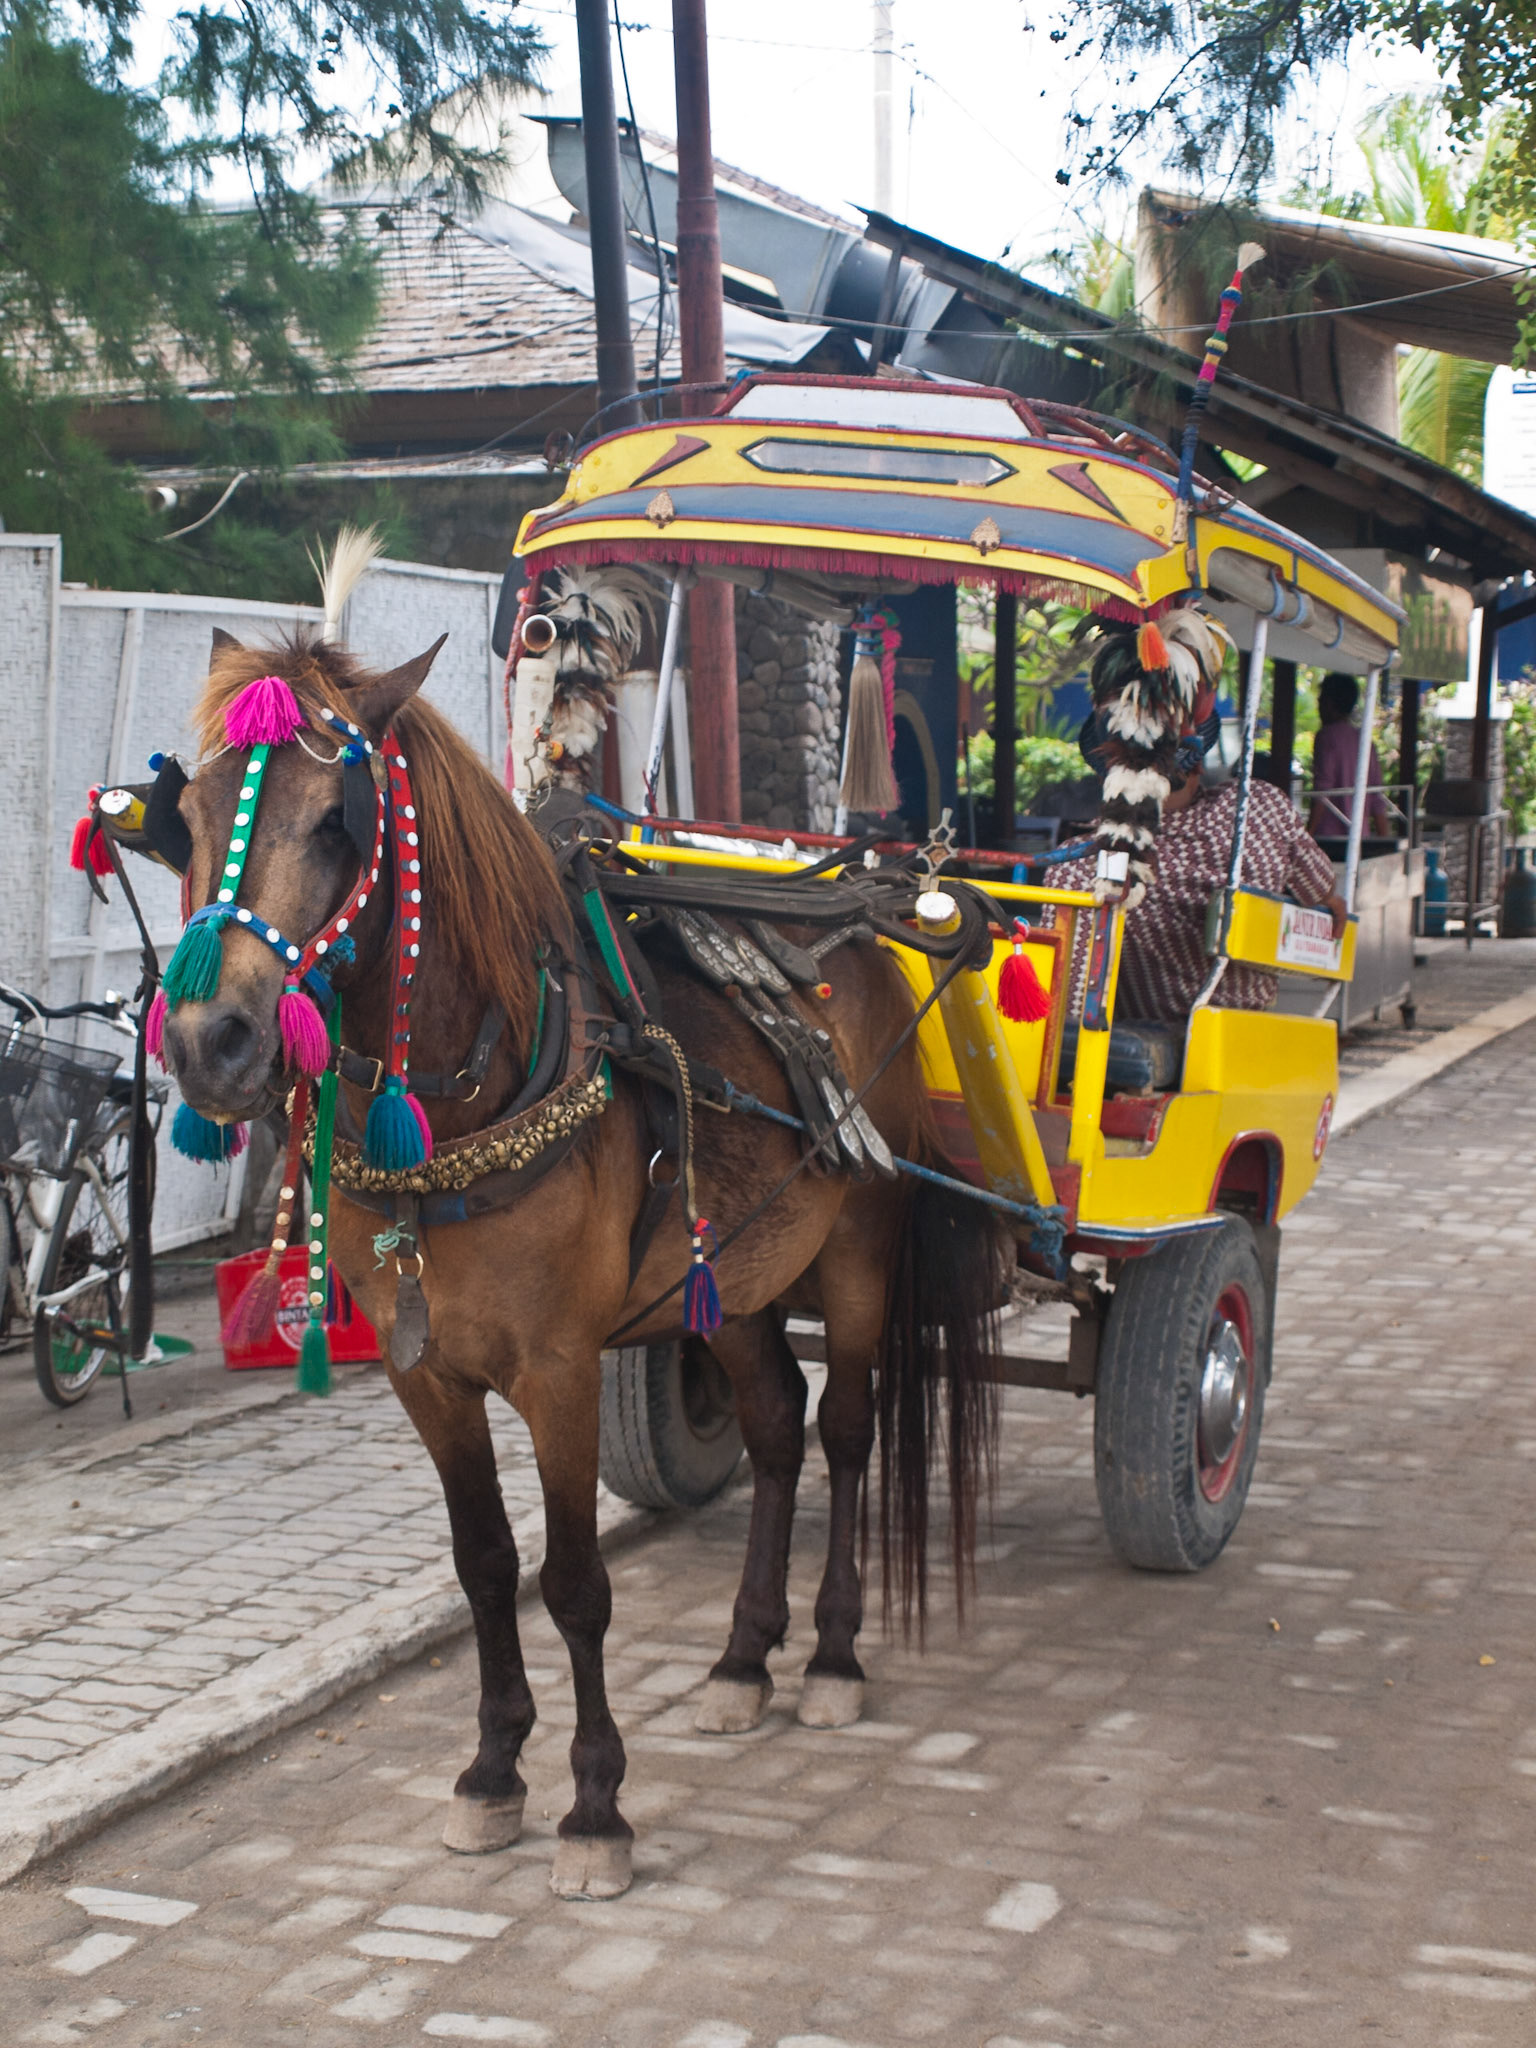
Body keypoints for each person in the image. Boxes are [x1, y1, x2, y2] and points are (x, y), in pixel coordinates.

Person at [1055, 720, 1346, 1024]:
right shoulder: (1259, 806)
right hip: (1250, 1026)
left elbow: (1067, 1001)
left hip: (1150, 1034)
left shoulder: (1082, 863)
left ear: (1110, 779)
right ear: (1197, 768)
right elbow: (1321, 888)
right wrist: (1328, 895)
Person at [1308, 671, 1390, 839]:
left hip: (1330, 838)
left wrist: (1307, 836)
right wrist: (1385, 841)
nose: (1318, 705)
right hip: (1360, 836)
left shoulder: (1327, 737)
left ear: (1329, 704)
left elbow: (1322, 792)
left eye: (1321, 699)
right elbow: (1377, 798)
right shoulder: (1365, 741)